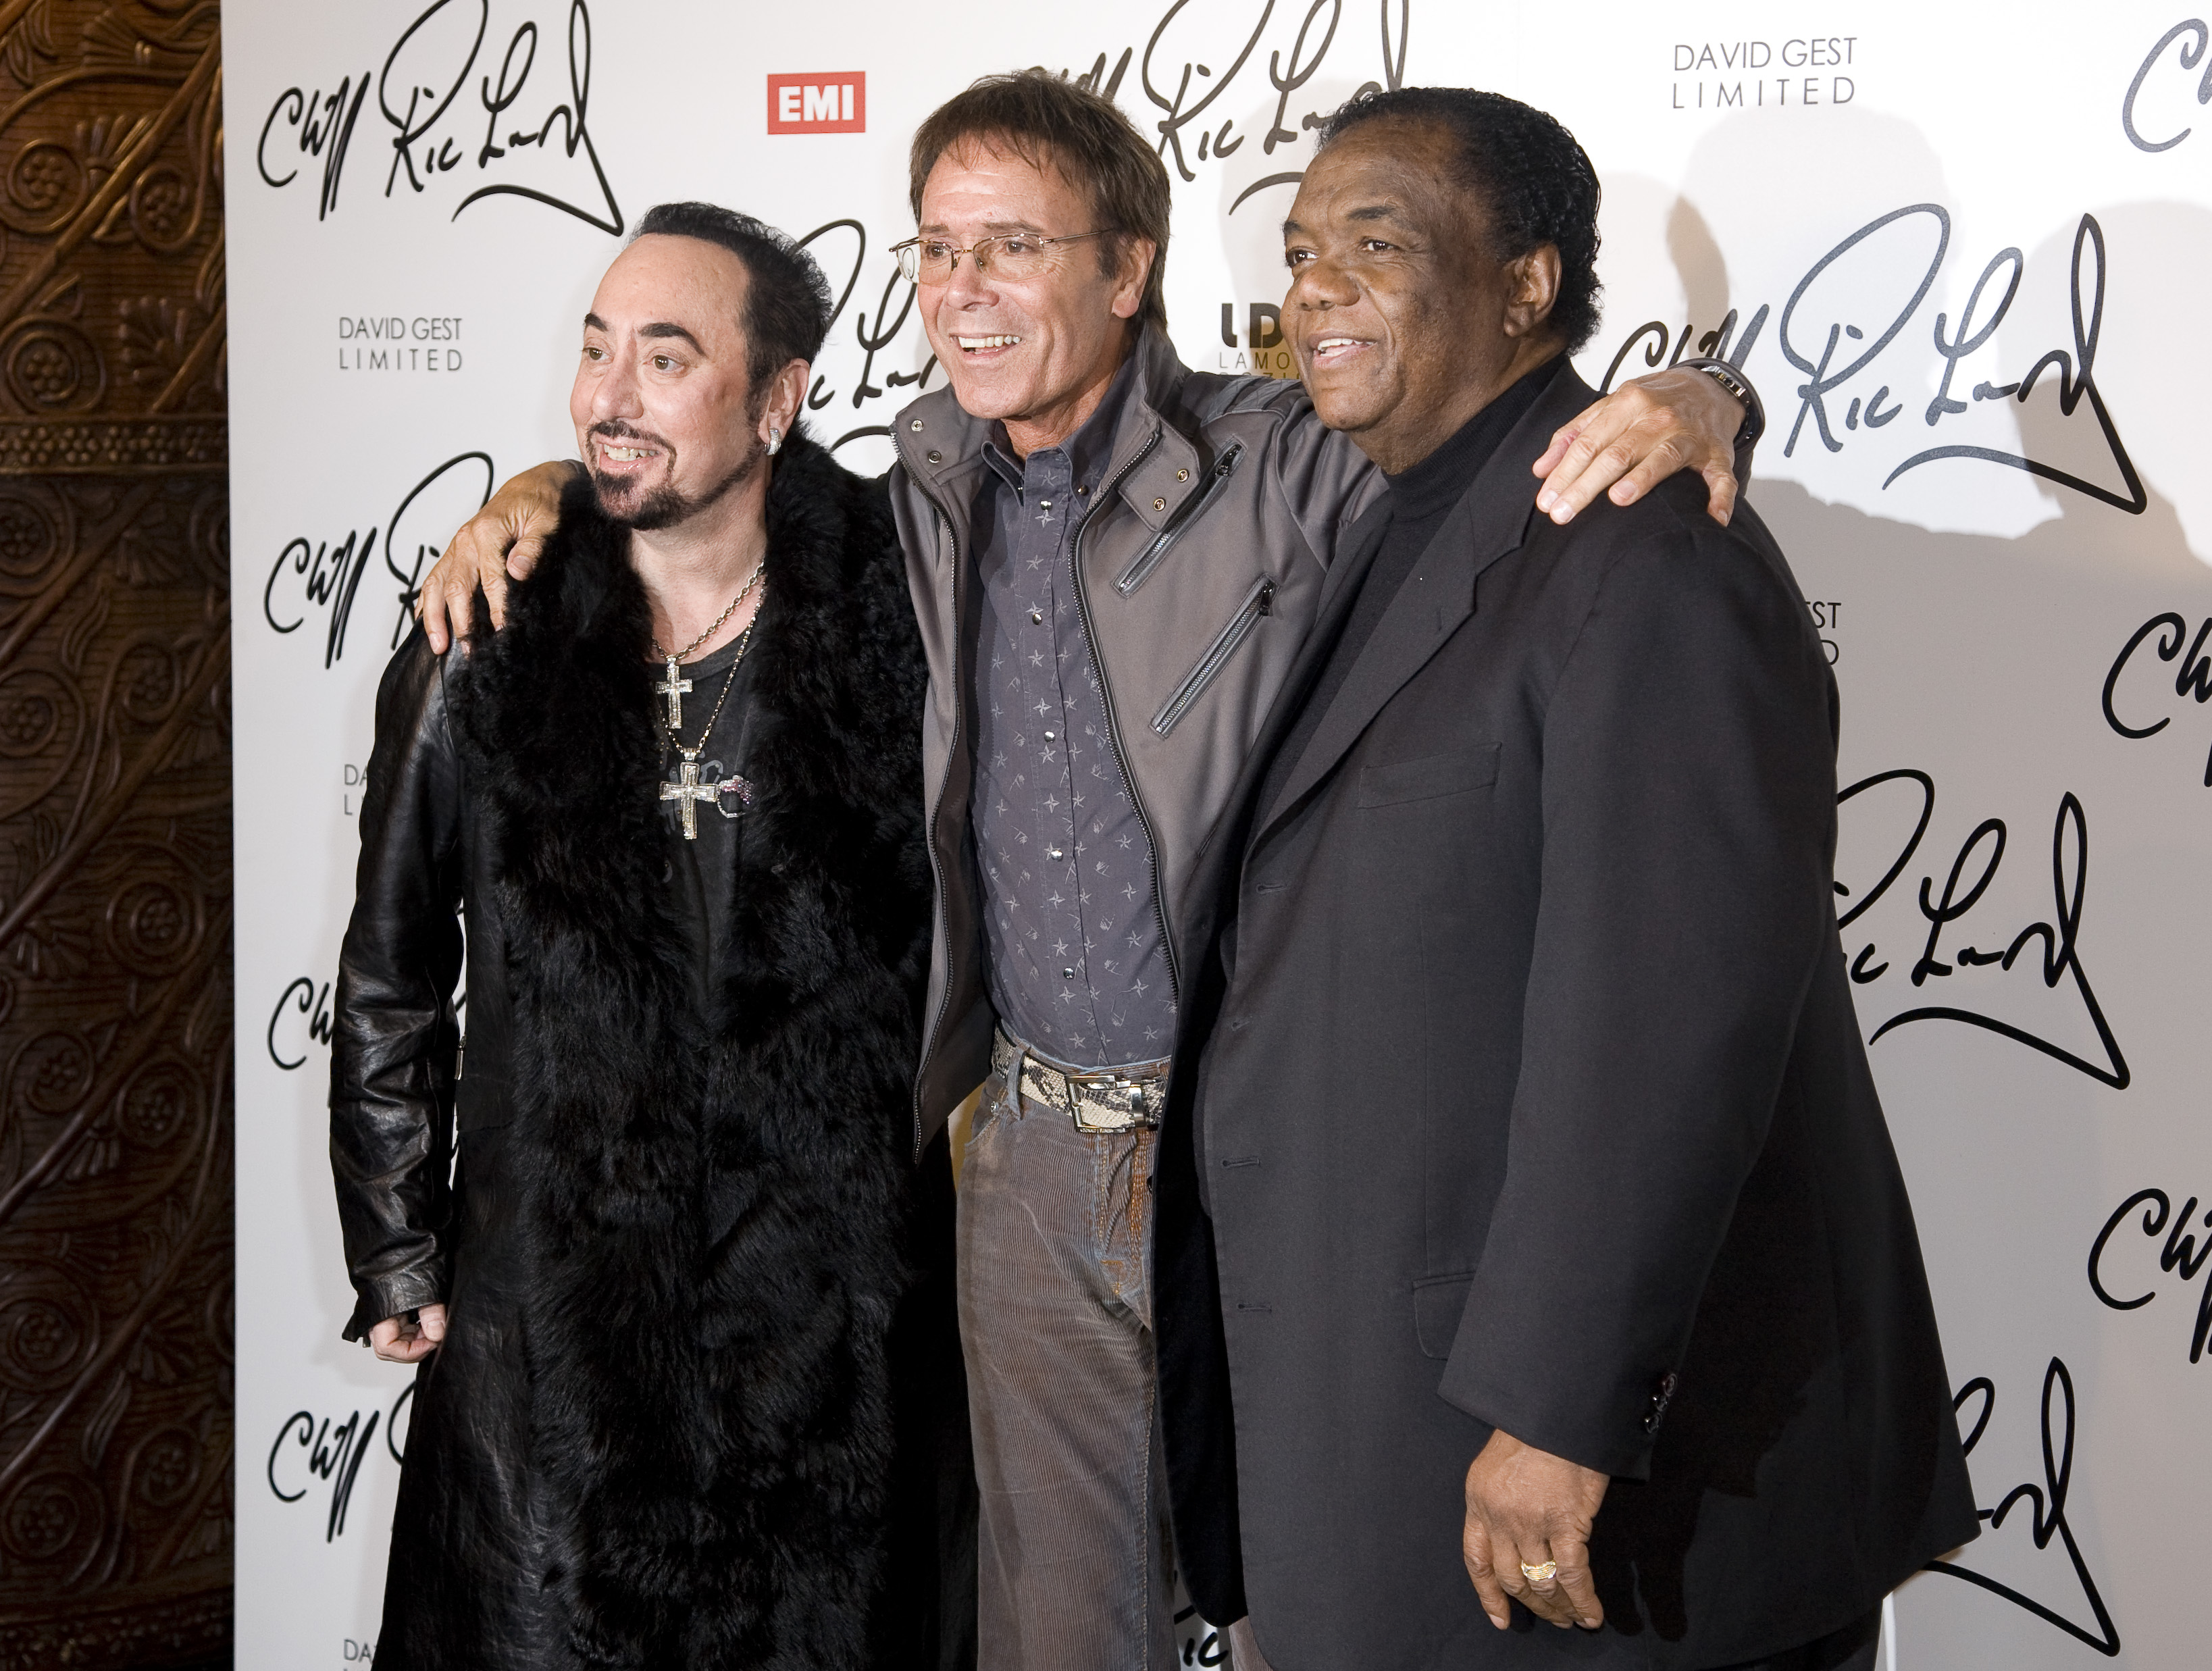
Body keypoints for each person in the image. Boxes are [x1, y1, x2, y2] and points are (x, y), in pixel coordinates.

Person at [412, 74, 1760, 1671]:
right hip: (1029, 1160)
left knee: (1306, 1607)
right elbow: (691, 485)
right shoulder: (915, 488)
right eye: (936, 251)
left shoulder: (1288, 457)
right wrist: (546, 495)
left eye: (1011, 248)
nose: (960, 292)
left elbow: (1496, 445)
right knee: (1056, 1632)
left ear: (1128, 268)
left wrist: (1706, 398)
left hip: (1249, 1156)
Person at [1153, 87, 1980, 1671]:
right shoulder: (1395, 509)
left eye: (1374, 245)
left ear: (1525, 283)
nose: (1315, 288)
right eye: (1302, 251)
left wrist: (1558, 1406)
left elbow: (1669, 1027)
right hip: (1385, 1426)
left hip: (1595, 1487)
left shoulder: (1644, 547)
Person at [329, 202, 973, 1671]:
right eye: (595, 349)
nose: (608, 398)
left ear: (779, 397)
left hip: (835, 1330)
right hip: (553, 1323)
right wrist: (396, 1243)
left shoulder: (911, 620)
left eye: (666, 358)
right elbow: (391, 965)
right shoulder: (485, 632)